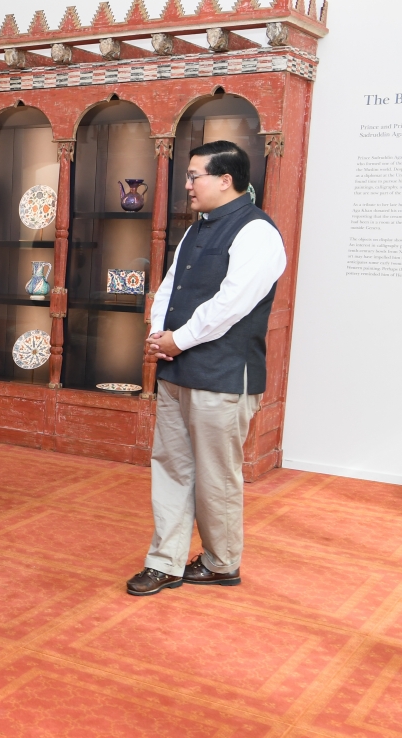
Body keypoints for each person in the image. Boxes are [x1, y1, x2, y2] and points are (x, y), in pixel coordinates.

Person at [126, 140, 286, 597]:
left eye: (195, 175)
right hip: (177, 370)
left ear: (225, 180)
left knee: (217, 476)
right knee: (172, 468)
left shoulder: (258, 233)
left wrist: (180, 339)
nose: (188, 184)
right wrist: (160, 333)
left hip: (223, 375)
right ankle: (165, 562)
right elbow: (171, 285)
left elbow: (231, 304)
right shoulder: (198, 228)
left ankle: (221, 563)